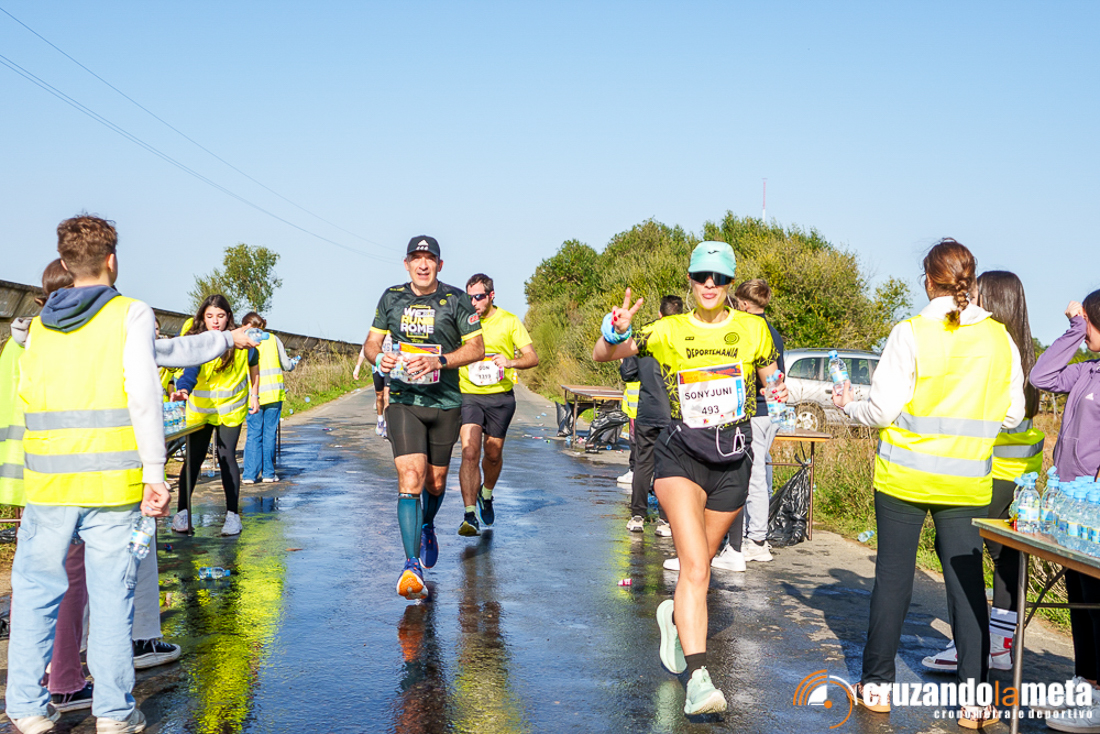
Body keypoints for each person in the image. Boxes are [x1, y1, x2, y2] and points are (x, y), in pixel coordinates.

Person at [832, 239, 1024, 728]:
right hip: (967, 484)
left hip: (904, 479)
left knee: (894, 579)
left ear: (927, 281)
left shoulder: (910, 332)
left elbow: (881, 411)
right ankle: (975, 702)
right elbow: (1014, 415)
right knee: (967, 587)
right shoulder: (1000, 339)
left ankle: (877, 687)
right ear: (970, 282)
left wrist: (847, 405)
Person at [593, 241, 785, 716]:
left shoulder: (754, 329)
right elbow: (603, 354)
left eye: (719, 278)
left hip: (732, 461)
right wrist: (614, 330)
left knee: (701, 564)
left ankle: (674, 616)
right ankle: (699, 680)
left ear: (730, 283)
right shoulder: (668, 329)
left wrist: (779, 391)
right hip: (679, 457)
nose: (709, 285)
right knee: (696, 567)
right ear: (691, 280)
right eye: (701, 277)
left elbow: (772, 381)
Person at [6, 215, 170, 732]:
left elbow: (30, 398)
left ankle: (27, 707)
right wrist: (155, 472)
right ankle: (114, 713)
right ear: (111, 260)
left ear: (65, 262)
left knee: (35, 594)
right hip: (112, 484)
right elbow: (143, 393)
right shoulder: (129, 313)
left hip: (48, 483)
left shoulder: (38, 328)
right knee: (111, 596)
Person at [920, 270, 1042, 674]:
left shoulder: (992, 347)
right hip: (1022, 477)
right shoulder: (1027, 353)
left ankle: (969, 645)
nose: (969, 299)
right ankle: (1000, 647)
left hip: (987, 471)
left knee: (959, 551)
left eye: (976, 294)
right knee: (1006, 559)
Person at [363, 236, 484, 601]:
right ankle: (410, 564)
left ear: (439, 265)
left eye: (429, 258)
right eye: (416, 258)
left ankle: (427, 524)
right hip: (404, 400)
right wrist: (378, 358)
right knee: (411, 476)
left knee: (435, 481)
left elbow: (477, 348)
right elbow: (371, 343)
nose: (423, 264)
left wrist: (439, 361)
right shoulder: (391, 298)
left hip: (445, 402)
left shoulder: (457, 300)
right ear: (407, 264)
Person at [1029, 291, 1100, 732]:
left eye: (1088, 322)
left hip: (1094, 509)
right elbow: (1041, 375)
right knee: (1079, 596)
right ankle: (1085, 682)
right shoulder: (1087, 370)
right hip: (1068, 504)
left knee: (1097, 601)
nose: (1086, 330)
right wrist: (1075, 329)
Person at [709, 279, 786, 570]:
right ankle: (755, 535)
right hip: (772, 411)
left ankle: (756, 541)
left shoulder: (751, 330)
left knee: (752, 477)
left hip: (756, 410)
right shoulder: (772, 331)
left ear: (742, 304)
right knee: (761, 471)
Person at [170, 294, 260, 537]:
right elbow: (191, 370)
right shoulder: (197, 339)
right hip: (201, 410)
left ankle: (232, 516)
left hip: (229, 410)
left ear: (228, 317)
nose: (215, 321)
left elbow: (254, 364)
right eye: (210, 316)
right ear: (203, 318)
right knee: (193, 459)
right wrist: (183, 389)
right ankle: (182, 513)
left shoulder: (240, 340)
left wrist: (255, 395)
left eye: (220, 316)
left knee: (226, 457)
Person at [457, 273, 538, 535]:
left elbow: (532, 357)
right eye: (469, 297)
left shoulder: (509, 321)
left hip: (500, 398)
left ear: (491, 296)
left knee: (492, 454)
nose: (473, 303)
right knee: (470, 452)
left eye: (479, 297)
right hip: (469, 395)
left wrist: (510, 361)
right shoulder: (462, 321)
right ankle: (469, 514)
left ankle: (486, 494)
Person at [622, 294, 683, 536]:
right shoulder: (685, 338)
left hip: (647, 409)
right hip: (674, 413)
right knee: (670, 467)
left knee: (643, 463)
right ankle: (666, 520)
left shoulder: (644, 335)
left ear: (660, 313)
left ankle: (637, 515)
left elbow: (628, 373)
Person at [241, 312, 297, 484]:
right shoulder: (273, 339)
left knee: (253, 434)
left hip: (252, 395)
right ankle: (268, 474)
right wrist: (293, 363)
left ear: (245, 325)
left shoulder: (243, 341)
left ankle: (249, 475)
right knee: (269, 433)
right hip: (273, 394)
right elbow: (286, 365)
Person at [355, 333, 393, 437]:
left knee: (387, 396)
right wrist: (357, 367)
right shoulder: (376, 334)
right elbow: (364, 349)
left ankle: (387, 425)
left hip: (390, 369)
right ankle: (380, 419)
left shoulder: (394, 332)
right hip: (377, 368)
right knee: (379, 396)